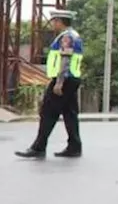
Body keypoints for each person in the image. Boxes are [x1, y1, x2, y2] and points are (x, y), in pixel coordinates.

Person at [14, 9, 84, 159]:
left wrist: (59, 83)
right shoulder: (74, 35)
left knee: (47, 113)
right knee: (70, 114)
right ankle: (74, 147)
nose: (53, 24)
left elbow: (65, 61)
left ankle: (38, 148)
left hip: (64, 79)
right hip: (72, 79)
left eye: (55, 21)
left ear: (60, 21)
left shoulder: (66, 38)